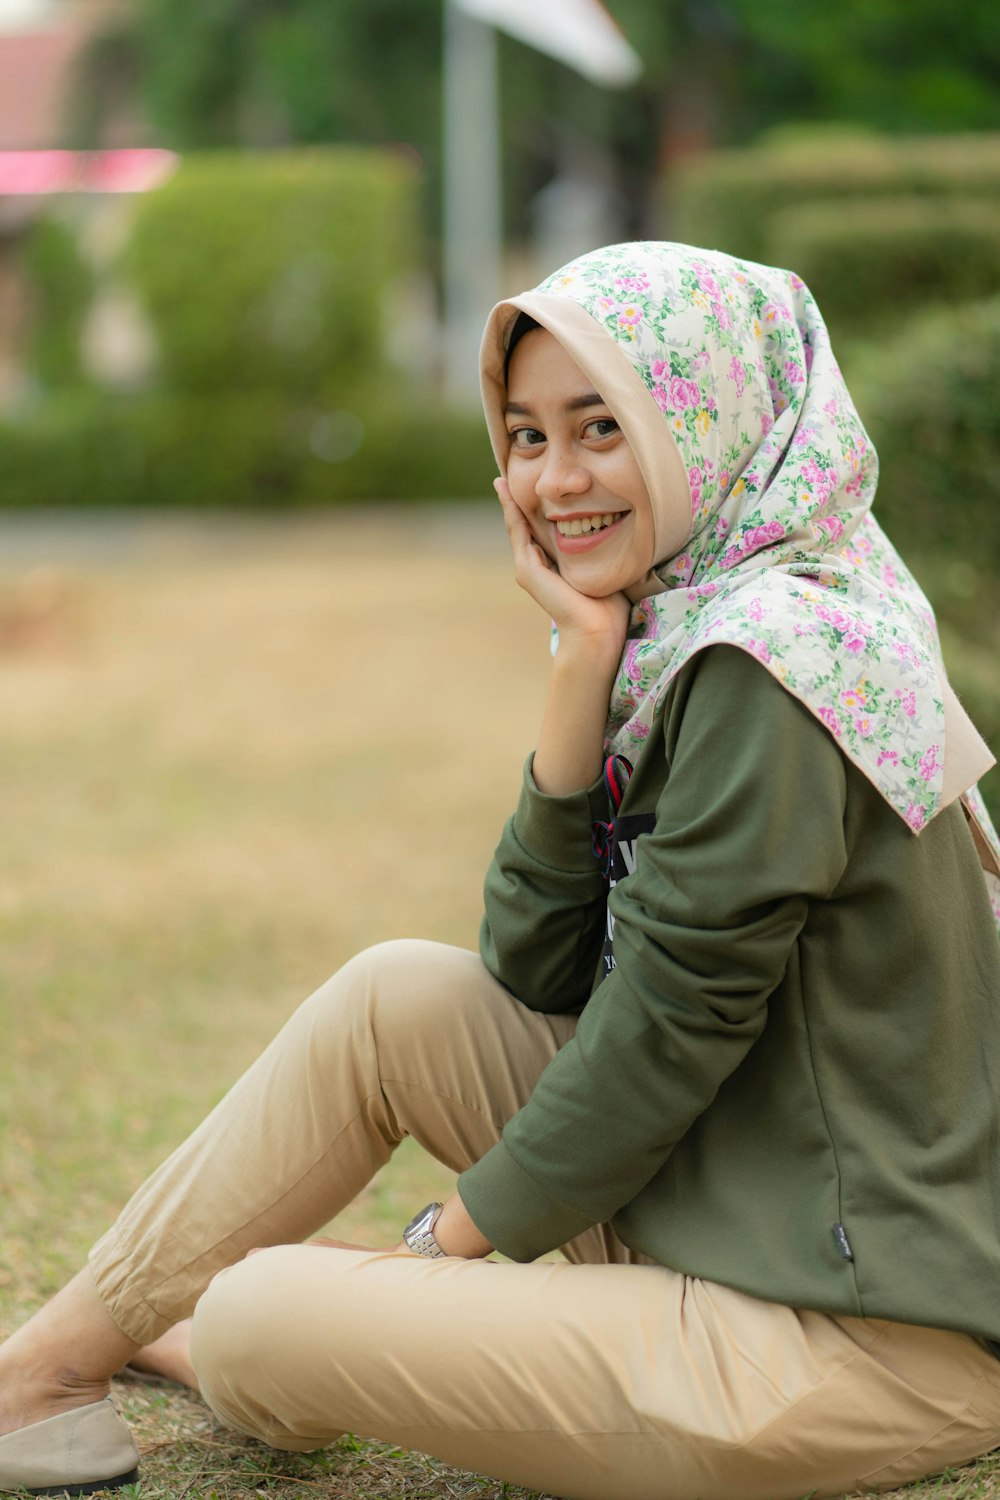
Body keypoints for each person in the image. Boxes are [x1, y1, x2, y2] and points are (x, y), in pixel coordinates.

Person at [2, 240, 1000, 1500]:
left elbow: (664, 1033)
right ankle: (47, 1369)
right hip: (730, 1202)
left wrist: (437, 1248)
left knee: (259, 1311)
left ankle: (267, 1342)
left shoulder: (777, 663)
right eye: (526, 436)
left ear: (710, 420)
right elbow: (535, 969)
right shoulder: (697, 623)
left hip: (853, 1337)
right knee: (390, 997)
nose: (554, 479)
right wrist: (580, 663)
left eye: (601, 427)